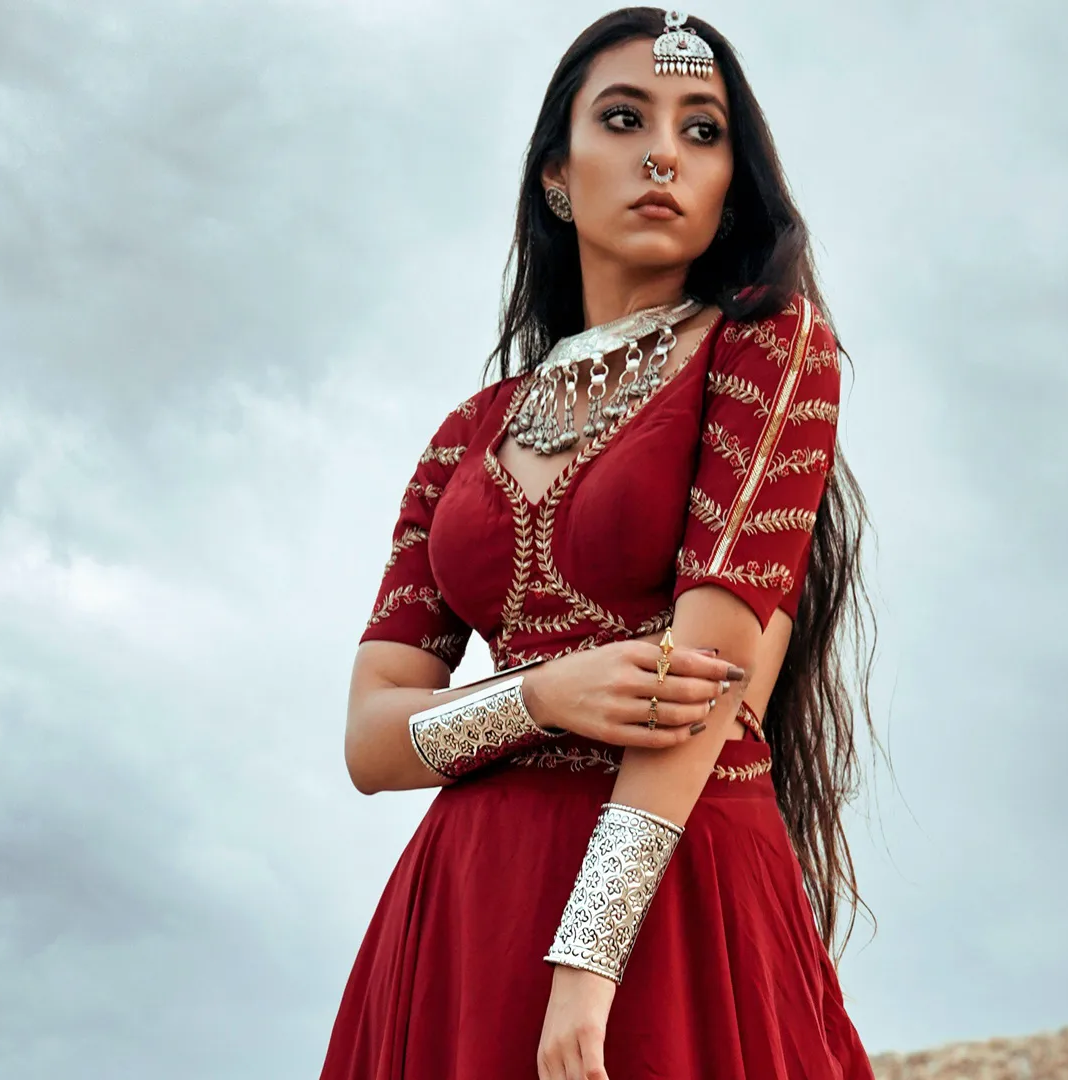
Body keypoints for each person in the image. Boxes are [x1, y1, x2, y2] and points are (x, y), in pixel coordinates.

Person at [320, 9, 882, 1078]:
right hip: (464, 911)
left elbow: (707, 667)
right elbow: (370, 739)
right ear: (557, 179)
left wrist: (589, 956)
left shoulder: (767, 348)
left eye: (703, 130)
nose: (663, 151)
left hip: (669, 888)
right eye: (625, 119)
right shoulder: (465, 437)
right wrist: (537, 696)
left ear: (728, 191)